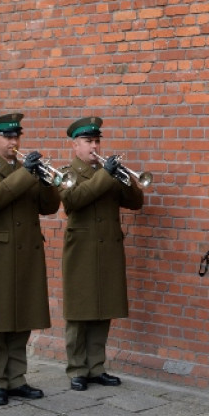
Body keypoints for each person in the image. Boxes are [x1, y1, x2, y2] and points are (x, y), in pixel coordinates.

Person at [0, 113, 61, 406]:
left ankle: (17, 378)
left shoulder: (27, 169)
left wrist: (46, 180)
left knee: (22, 315)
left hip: (26, 249)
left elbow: (48, 207)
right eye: (7, 137)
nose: (14, 142)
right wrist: (27, 174)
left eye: (16, 137)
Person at [60, 116, 143, 391]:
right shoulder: (68, 173)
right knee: (80, 311)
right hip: (81, 250)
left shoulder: (108, 171)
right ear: (75, 146)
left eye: (97, 140)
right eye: (88, 141)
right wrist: (106, 174)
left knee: (103, 308)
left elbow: (135, 202)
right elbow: (74, 200)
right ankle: (77, 368)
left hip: (107, 247)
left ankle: (96, 367)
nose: (94, 146)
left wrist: (124, 177)